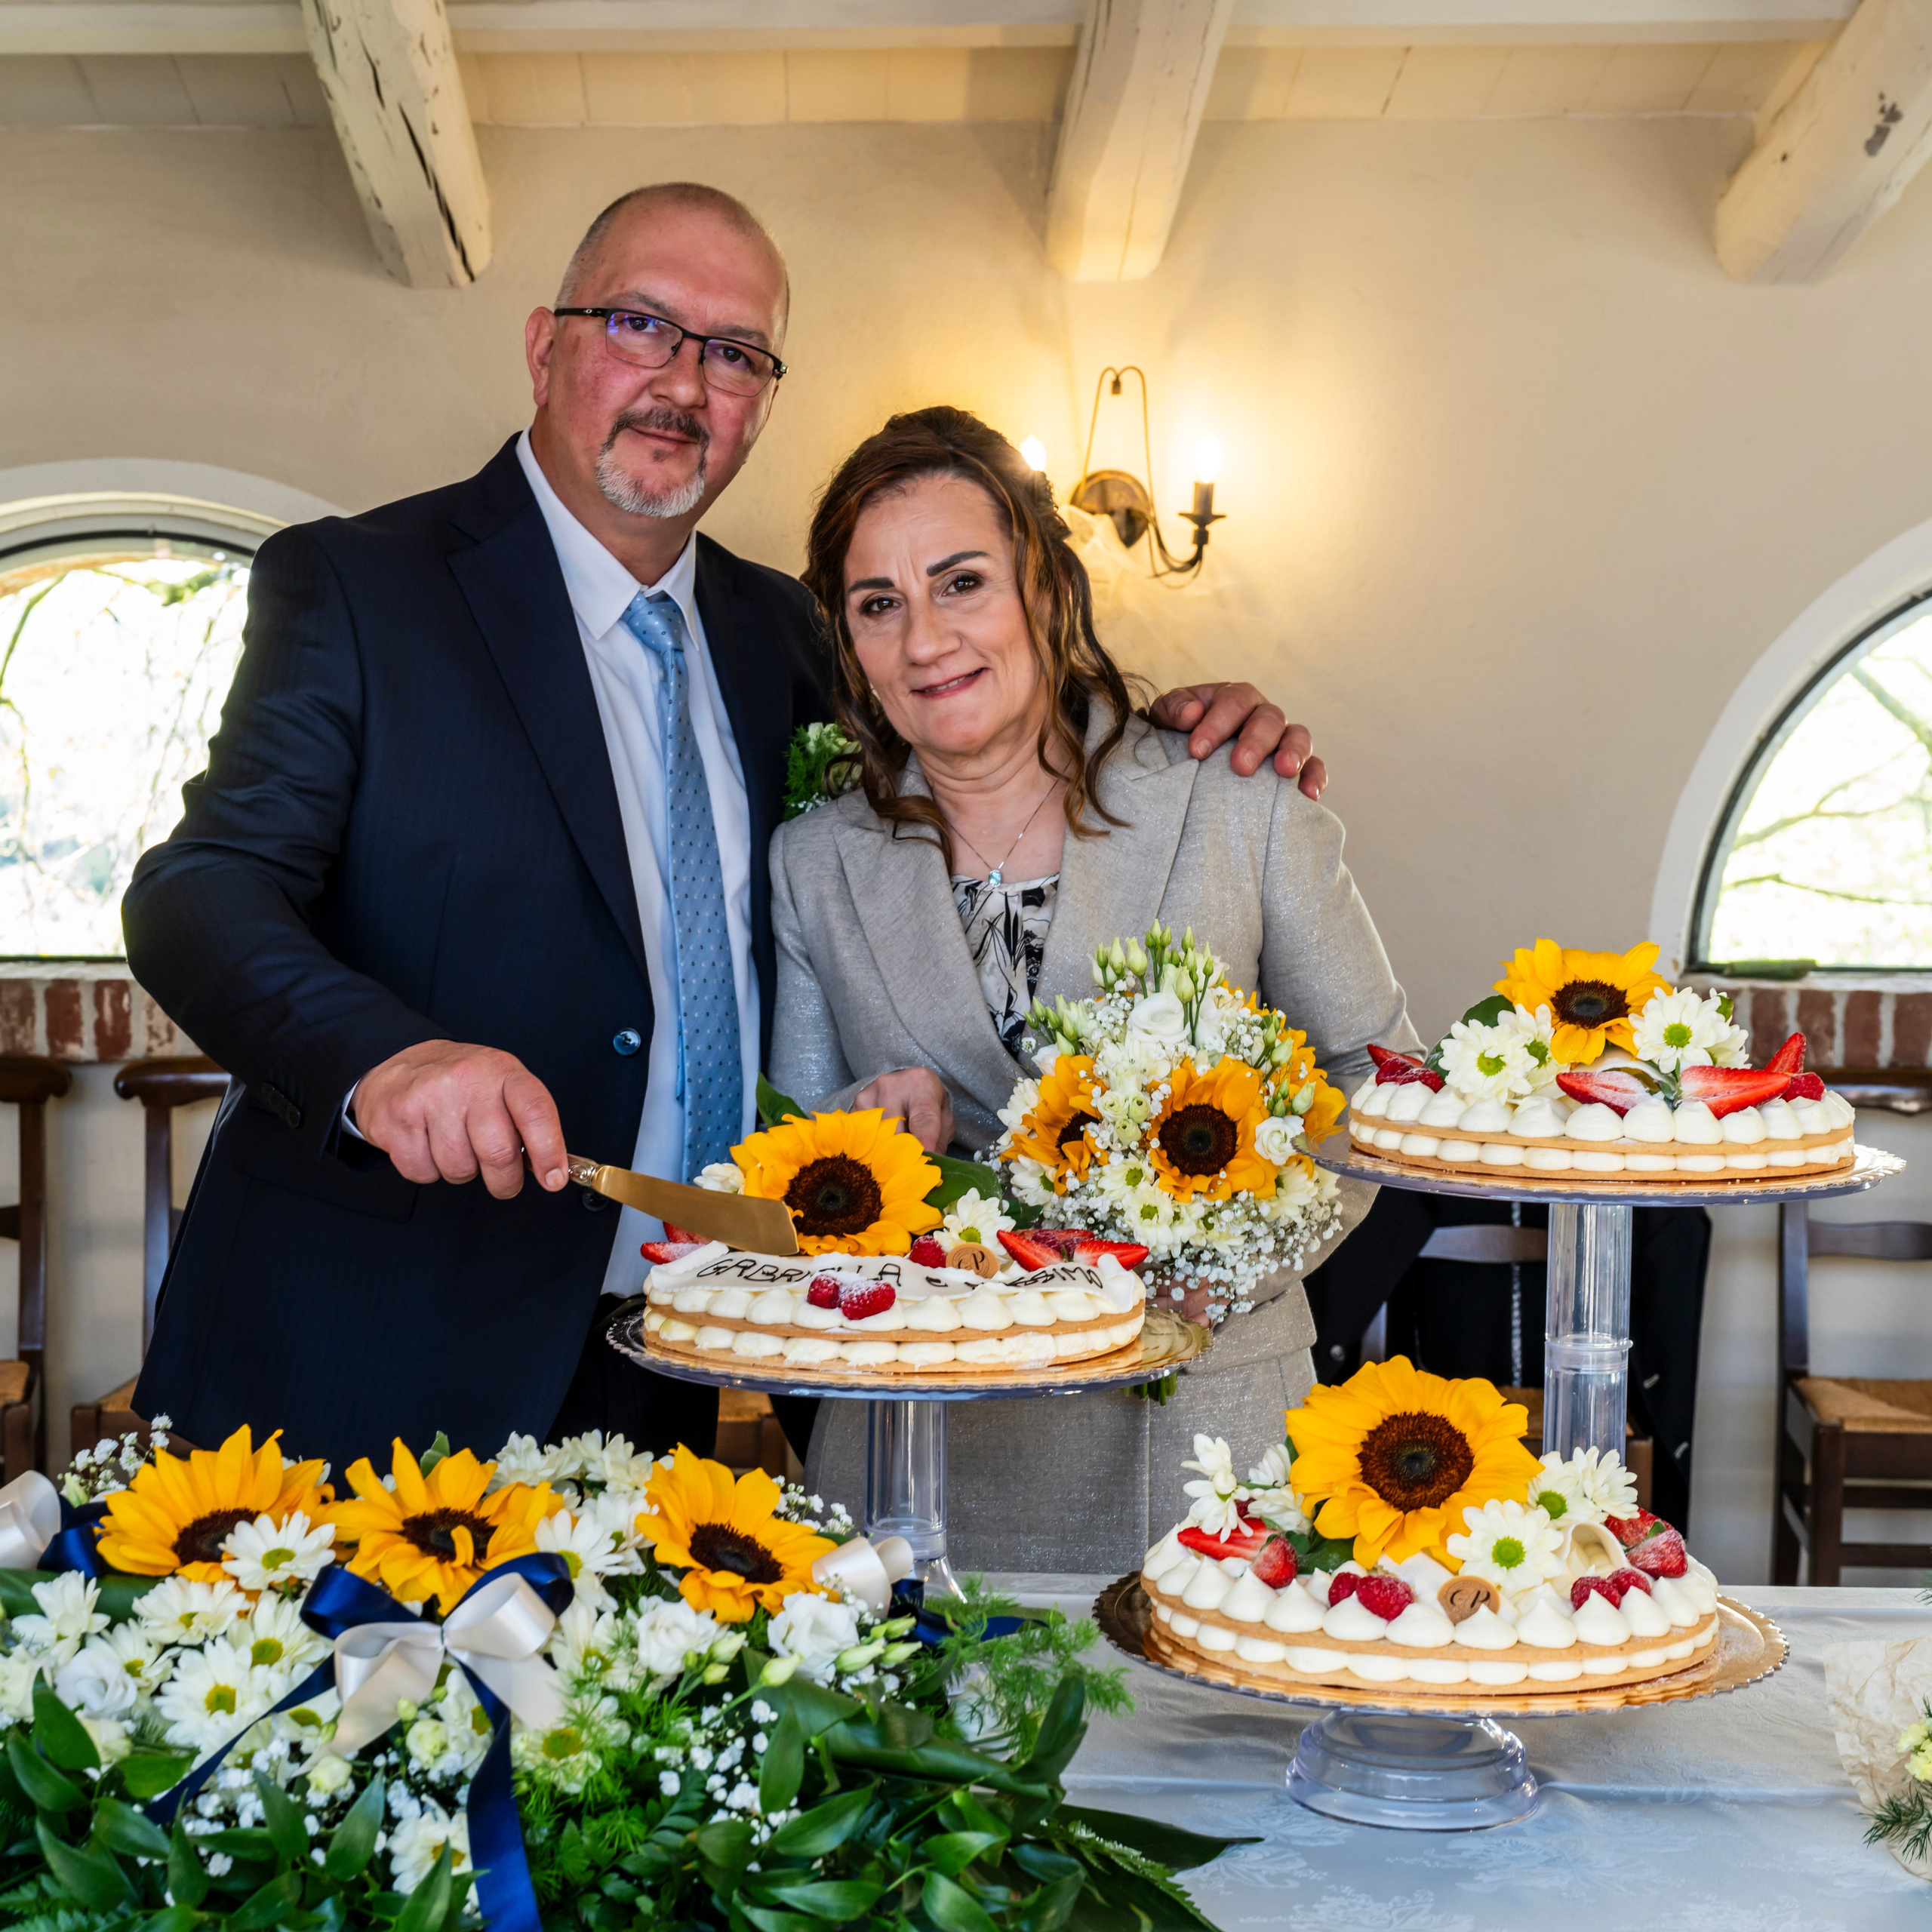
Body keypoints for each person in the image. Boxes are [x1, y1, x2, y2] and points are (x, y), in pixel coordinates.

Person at [125, 183, 1324, 1470]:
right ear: (543, 346)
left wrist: (1178, 725)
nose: (685, 383)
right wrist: (385, 1062)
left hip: (684, 1343)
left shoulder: (792, 631)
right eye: (641, 324)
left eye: (737, 353)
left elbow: (978, 735)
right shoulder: (361, 585)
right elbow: (200, 888)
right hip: (374, 1339)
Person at [768, 405, 1416, 1572]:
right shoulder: (814, 861)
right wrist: (860, 1140)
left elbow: (1383, 1084)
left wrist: (1217, 1260)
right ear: (849, 644)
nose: (926, 639)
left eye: (962, 583)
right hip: (916, 1448)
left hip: (1197, 1432)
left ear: (1049, 589)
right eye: (878, 604)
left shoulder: (1236, 799)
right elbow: (791, 1165)